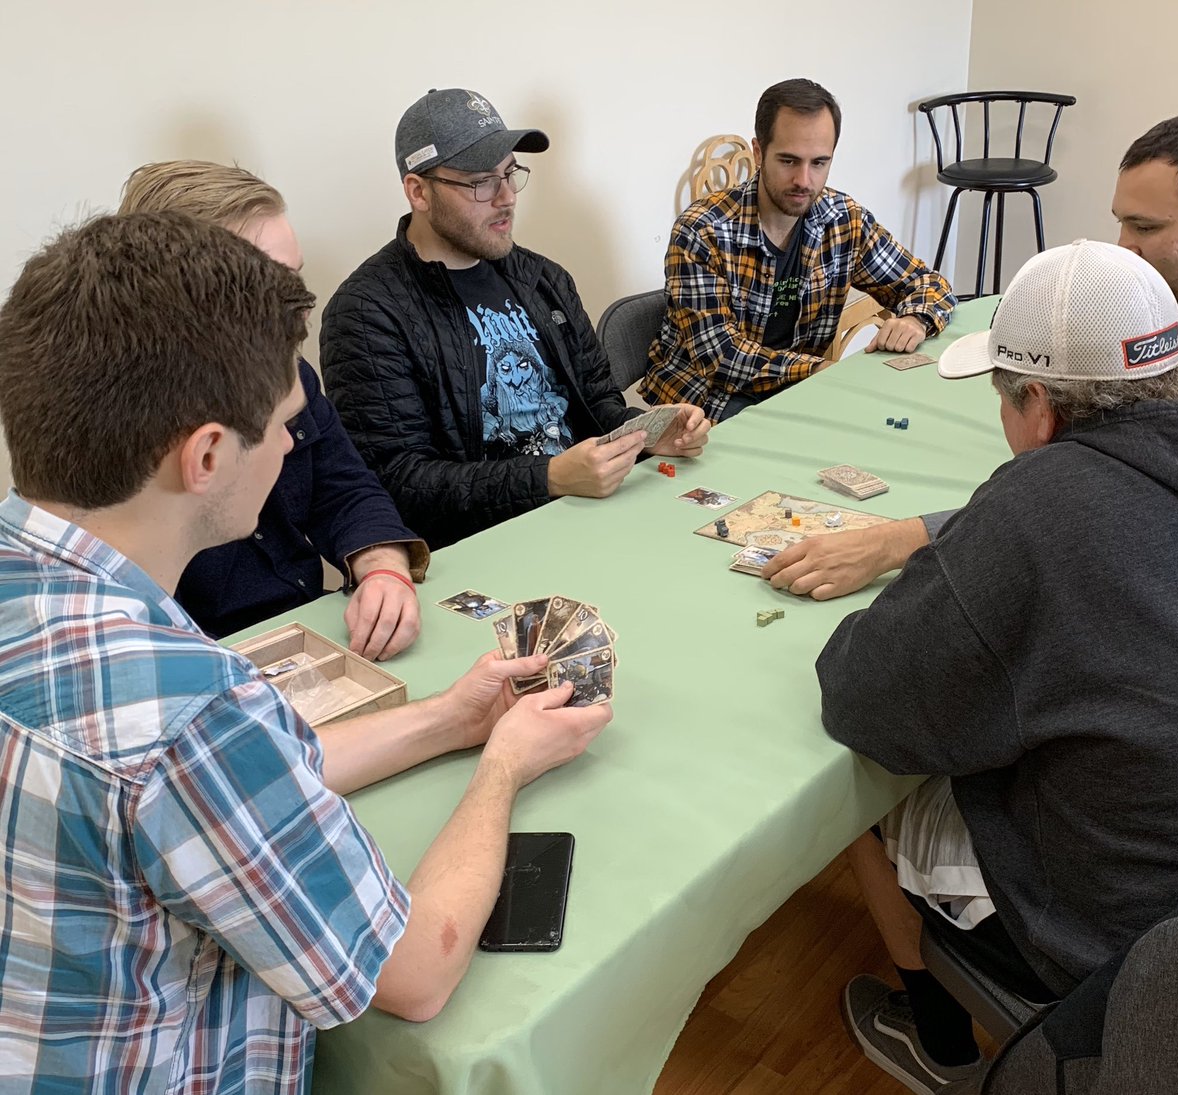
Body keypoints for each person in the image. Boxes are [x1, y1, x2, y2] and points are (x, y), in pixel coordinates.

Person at [0, 212, 611, 1093]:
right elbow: (413, 971)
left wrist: (450, 718)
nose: (295, 441)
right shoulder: (192, 711)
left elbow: (225, 786)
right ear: (208, 455)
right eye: (285, 422)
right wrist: (504, 766)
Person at [817, 240, 1178, 1093]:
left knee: (871, 790)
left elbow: (864, 697)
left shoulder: (1036, 504)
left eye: (1001, 398)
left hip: (1119, 953)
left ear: (1039, 408)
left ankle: (937, 1038)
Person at [763, 112, 1178, 602]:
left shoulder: (842, 217)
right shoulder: (1169, 299)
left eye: (1146, 227)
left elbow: (1098, 505)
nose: (1124, 248)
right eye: (1121, 223)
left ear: (1039, 405)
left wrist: (896, 541)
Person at [320, 88, 710, 550]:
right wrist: (549, 477)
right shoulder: (367, 313)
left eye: (509, 174)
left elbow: (597, 402)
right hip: (486, 546)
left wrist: (648, 434)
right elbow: (399, 484)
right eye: (481, 183)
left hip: (591, 512)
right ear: (418, 191)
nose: (506, 198)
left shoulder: (543, 279)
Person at [118, 161, 429, 661]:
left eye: (296, 275)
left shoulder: (288, 373)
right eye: (273, 284)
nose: (304, 304)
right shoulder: (117, 426)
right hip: (209, 661)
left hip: (307, 630)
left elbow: (345, 489)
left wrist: (383, 569)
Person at [639, 78, 956, 423]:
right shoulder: (702, 231)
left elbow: (928, 283)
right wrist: (818, 370)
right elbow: (721, 356)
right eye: (789, 161)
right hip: (706, 402)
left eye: (819, 163)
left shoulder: (844, 220)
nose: (804, 180)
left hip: (797, 390)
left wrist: (915, 319)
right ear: (758, 152)